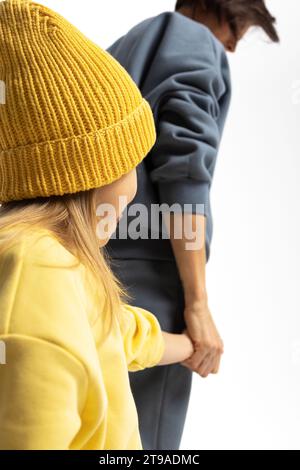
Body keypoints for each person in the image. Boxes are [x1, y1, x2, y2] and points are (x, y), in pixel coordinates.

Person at [0, 0, 195, 450]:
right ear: (93, 174)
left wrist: (188, 347)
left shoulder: (59, 263)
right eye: (133, 166)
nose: (135, 189)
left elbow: (116, 333)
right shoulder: (37, 272)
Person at [106, 0, 279, 450]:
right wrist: (197, 304)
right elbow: (184, 171)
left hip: (93, 265)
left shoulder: (119, 50)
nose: (233, 47)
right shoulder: (194, 40)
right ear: (210, 5)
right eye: (237, 28)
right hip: (151, 286)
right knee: (146, 443)